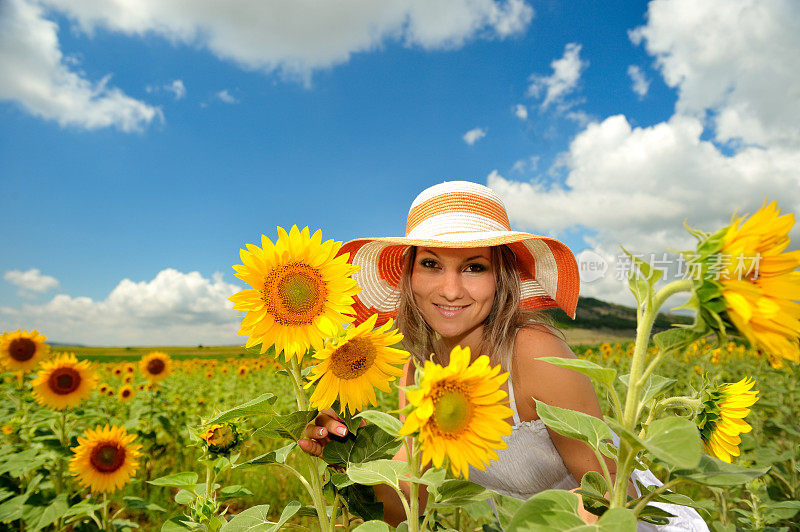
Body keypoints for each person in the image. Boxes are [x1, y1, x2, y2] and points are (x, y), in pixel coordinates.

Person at [298, 181, 708, 530]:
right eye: (431, 264)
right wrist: (346, 456)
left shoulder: (533, 352)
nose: (451, 290)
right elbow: (409, 501)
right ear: (408, 276)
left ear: (501, 278)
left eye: (474, 267)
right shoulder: (417, 372)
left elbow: (611, 489)